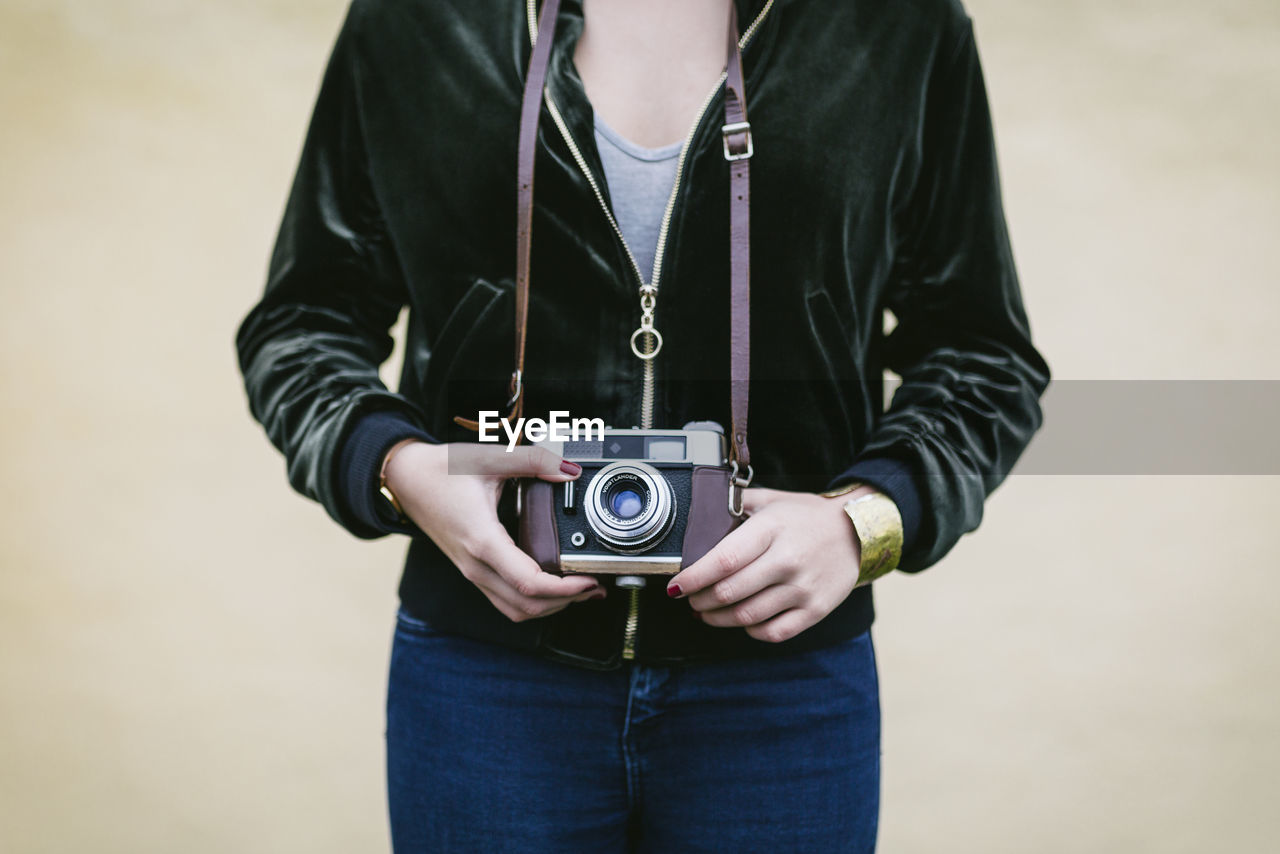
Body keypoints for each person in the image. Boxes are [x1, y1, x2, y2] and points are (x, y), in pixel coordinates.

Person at [235, 0, 1050, 850]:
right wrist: (400, 469)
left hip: (781, 687)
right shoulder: (419, 20)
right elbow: (303, 323)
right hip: (485, 676)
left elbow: (982, 356)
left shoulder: (898, 25)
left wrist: (862, 523)